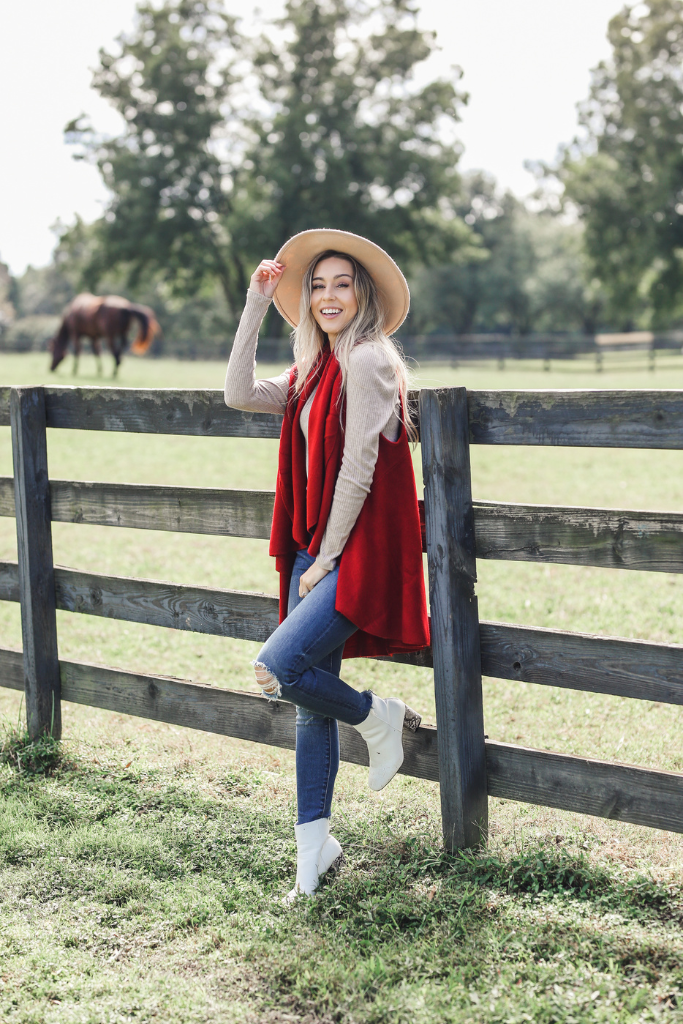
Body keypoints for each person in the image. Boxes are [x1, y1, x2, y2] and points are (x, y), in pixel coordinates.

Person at [224, 229, 430, 901]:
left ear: (362, 294)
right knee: (308, 703)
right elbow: (238, 393)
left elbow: (359, 466)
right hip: (315, 545)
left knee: (277, 669)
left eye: (342, 284)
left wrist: (327, 558)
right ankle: (313, 855)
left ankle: (379, 716)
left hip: (353, 549)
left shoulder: (368, 359)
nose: (329, 295)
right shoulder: (314, 367)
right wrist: (256, 303)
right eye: (317, 285)